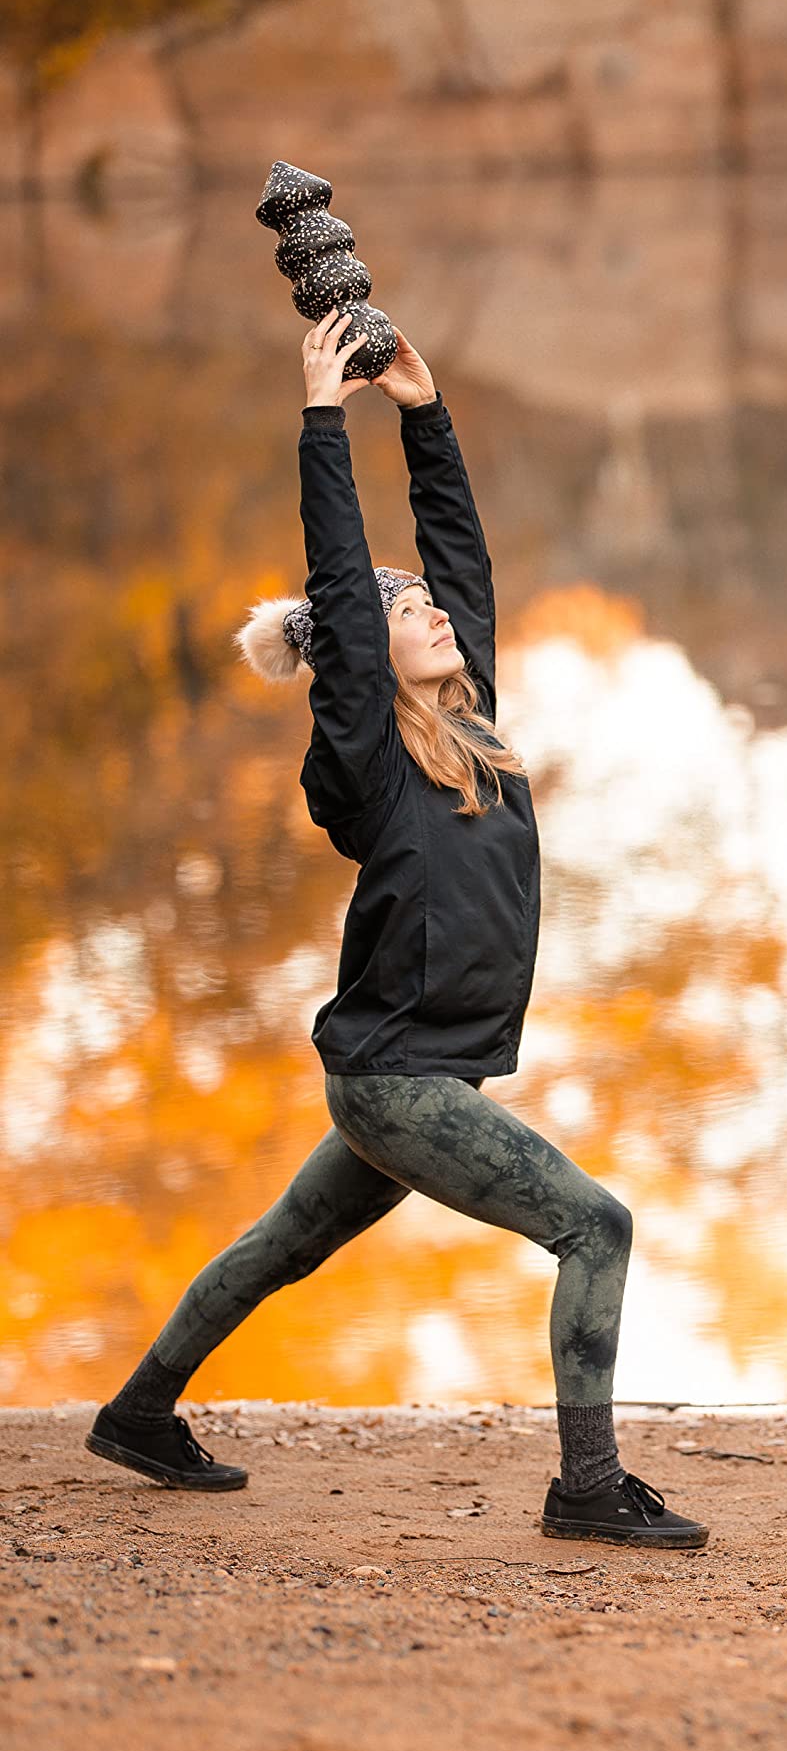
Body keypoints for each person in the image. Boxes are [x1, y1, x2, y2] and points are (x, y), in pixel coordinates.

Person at [84, 309, 704, 1552]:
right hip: (396, 1081)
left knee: (284, 1243)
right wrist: (324, 418)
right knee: (597, 1223)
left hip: (409, 1077)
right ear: (363, 655)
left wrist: (422, 411)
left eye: (428, 608)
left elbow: (457, 551)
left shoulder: (474, 732)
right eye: (404, 612)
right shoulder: (367, 755)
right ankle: (586, 1486)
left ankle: (140, 1409)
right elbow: (349, 596)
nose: (431, 613)